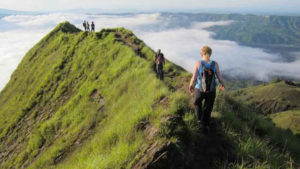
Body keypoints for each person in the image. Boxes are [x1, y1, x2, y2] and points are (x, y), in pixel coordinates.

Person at [189, 46, 226, 133]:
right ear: (210, 53)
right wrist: (222, 84)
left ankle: (199, 122)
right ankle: (206, 124)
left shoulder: (198, 63)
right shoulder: (215, 64)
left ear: (202, 53)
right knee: (208, 108)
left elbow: (194, 77)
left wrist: (191, 85)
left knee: (197, 103)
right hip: (211, 90)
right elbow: (219, 76)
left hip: (199, 89)